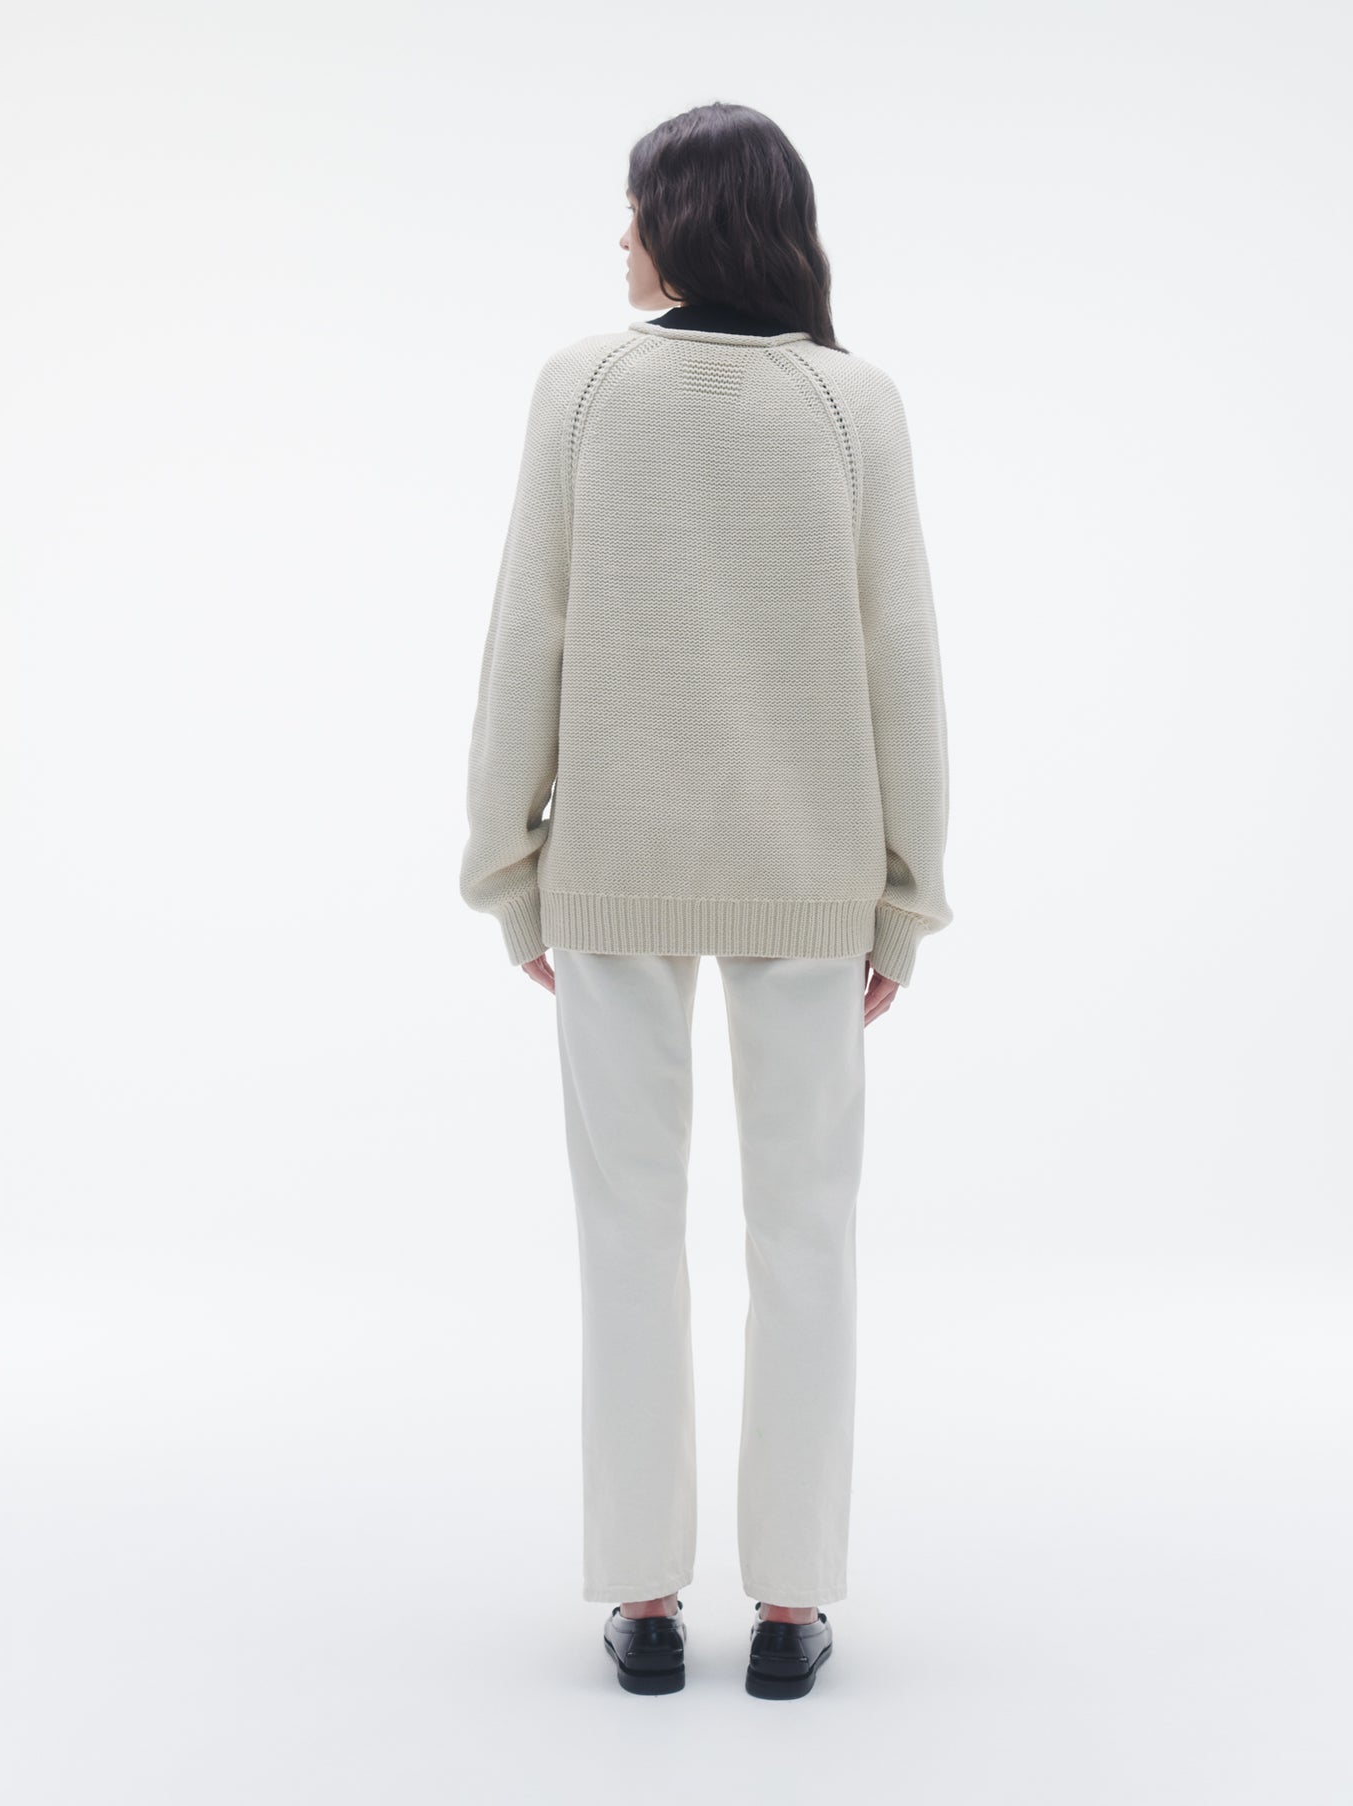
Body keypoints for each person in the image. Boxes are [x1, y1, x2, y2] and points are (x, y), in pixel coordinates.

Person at [458, 102, 952, 1698]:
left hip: (610, 868)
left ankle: (646, 1596)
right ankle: (793, 1602)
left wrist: (508, 865)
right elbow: (900, 660)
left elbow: (526, 629)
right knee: (804, 1231)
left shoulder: (583, 388)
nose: (620, 237)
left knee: (626, 1229)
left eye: (635, 209)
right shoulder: (851, 405)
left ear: (687, 221)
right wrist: (905, 895)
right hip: (813, 874)